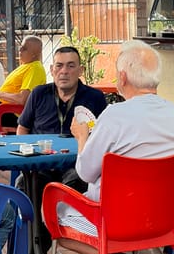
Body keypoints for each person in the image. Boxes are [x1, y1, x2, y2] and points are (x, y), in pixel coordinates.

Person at [47, 40, 174, 254]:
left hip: (114, 220)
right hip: (161, 222)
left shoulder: (115, 115)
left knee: (52, 213)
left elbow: (86, 173)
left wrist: (82, 138)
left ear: (122, 77)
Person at [17, 44, 107, 192]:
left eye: (71, 66)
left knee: (77, 182)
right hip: (42, 164)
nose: (64, 71)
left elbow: (103, 136)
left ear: (81, 70)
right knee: (24, 183)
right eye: (59, 66)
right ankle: (32, 216)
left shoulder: (95, 97)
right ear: (52, 70)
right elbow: (23, 128)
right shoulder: (39, 94)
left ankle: (67, 216)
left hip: (76, 165)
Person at [0, 35, 47, 131]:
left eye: (24, 48)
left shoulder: (35, 69)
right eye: (20, 47)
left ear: (34, 54)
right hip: (0, 107)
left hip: (10, 112)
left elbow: (23, 99)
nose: (19, 50)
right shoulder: (26, 65)